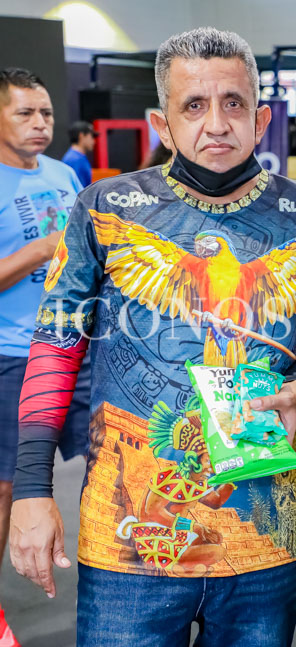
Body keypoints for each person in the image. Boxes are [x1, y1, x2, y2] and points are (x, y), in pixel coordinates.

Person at [9, 28, 296, 647]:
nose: (216, 123)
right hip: (130, 541)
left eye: (233, 103)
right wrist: (32, 489)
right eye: (193, 105)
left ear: (261, 118)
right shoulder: (106, 208)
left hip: (264, 533)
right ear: (162, 125)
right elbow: (56, 347)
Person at [0, 67, 92, 645]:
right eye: (24, 113)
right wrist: (40, 250)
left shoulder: (64, 174)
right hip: (10, 355)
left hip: (76, 348)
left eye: (46, 113)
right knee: (8, 488)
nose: (40, 123)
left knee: (114, 457)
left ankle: (138, 575)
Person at [61, 120, 96, 187]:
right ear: (81, 136)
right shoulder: (75, 159)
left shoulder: (77, 157)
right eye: (92, 136)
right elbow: (78, 190)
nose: (94, 141)